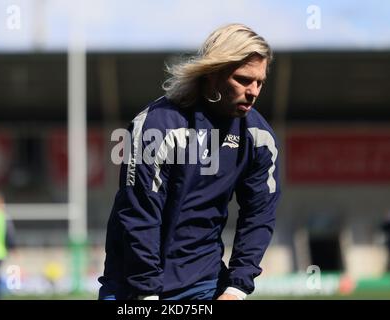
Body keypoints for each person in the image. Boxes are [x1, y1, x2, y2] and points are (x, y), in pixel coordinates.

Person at [99, 23, 280, 300]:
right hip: (133, 286)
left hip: (203, 284)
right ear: (213, 74)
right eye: (243, 80)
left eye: (260, 82)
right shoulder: (158, 126)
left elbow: (259, 215)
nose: (253, 91)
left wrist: (237, 288)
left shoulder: (259, 138)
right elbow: (140, 214)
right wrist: (146, 294)